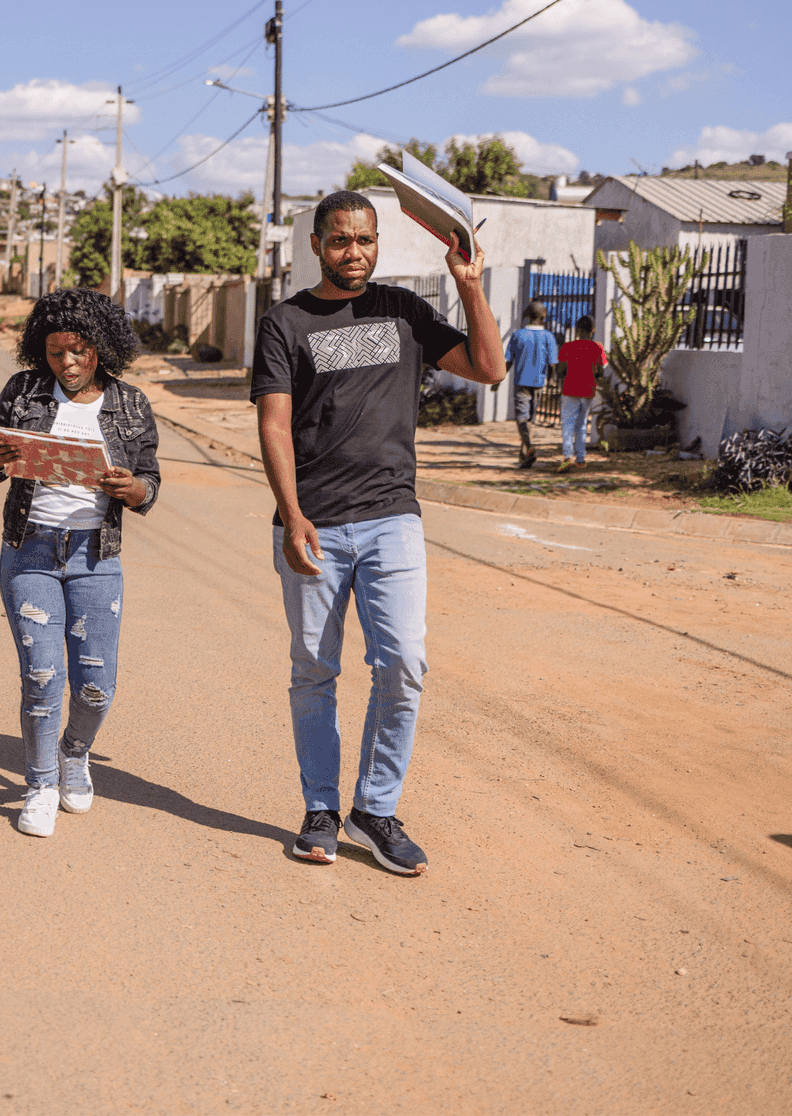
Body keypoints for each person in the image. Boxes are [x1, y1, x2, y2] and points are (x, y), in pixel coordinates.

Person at [252, 190, 505, 875]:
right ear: (317, 244)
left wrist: (471, 288)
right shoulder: (286, 321)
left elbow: (489, 368)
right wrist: (293, 512)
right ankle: (321, 809)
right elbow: (274, 423)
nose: (354, 252)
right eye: (340, 241)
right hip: (315, 525)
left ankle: (377, 808)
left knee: (403, 664)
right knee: (315, 671)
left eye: (365, 240)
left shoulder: (403, 312)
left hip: (392, 518)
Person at [0, 288, 160, 837]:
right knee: (41, 676)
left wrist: (132, 488)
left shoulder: (129, 404)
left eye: (79, 350)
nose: (69, 363)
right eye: (57, 353)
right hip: (30, 549)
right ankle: (39, 784)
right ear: (43, 351)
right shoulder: (24, 390)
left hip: (94, 556)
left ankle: (74, 753)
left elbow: (149, 484)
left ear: (101, 346)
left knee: (95, 684)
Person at [505, 303, 558, 469]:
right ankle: (524, 453)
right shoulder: (548, 336)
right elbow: (553, 363)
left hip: (521, 381)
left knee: (522, 416)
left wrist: (499, 379)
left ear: (527, 315)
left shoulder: (518, 335)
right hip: (539, 382)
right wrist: (551, 380)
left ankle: (527, 446)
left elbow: (508, 360)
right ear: (543, 316)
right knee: (529, 418)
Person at [556, 314, 606, 466]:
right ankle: (581, 458)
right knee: (582, 424)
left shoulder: (567, 347)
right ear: (593, 331)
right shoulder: (597, 348)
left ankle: (567, 455)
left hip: (570, 389)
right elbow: (601, 372)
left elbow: (560, 370)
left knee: (567, 423)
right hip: (588, 390)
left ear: (577, 330)